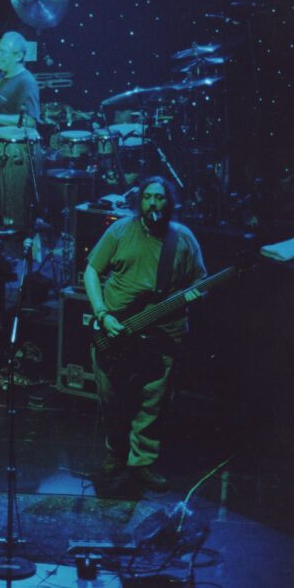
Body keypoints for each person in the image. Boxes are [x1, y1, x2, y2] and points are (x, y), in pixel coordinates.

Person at [83, 176, 206, 491]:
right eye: (148, 196)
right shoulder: (120, 230)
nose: (154, 203)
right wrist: (102, 313)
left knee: (153, 401)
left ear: (170, 202)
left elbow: (200, 283)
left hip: (163, 334)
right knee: (111, 398)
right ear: (140, 200)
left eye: (160, 197)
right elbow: (92, 271)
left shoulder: (184, 239)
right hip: (115, 330)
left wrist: (195, 296)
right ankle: (115, 452)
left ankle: (142, 463)